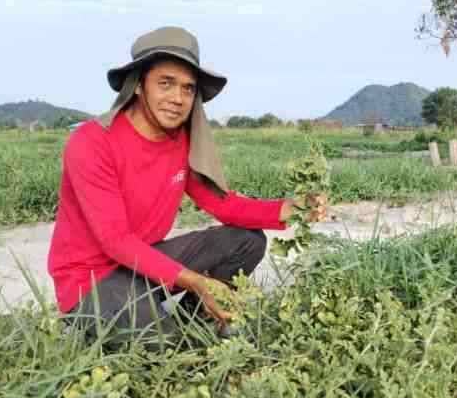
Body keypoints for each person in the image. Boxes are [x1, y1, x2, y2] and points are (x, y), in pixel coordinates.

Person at [47, 26, 327, 339]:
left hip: (142, 263)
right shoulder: (92, 141)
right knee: (167, 351)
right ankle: (93, 322)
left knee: (247, 241)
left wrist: (291, 208)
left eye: (188, 88)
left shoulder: (181, 142)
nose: (178, 98)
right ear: (139, 85)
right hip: (92, 279)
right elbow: (116, 240)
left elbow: (223, 204)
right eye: (166, 84)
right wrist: (196, 280)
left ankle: (195, 321)